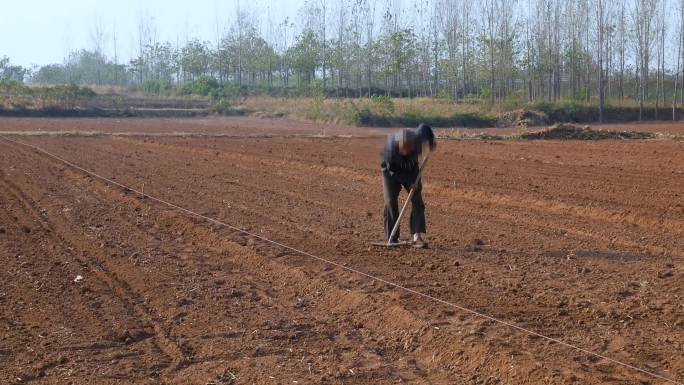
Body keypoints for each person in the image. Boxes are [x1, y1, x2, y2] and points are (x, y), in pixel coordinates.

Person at [381, 123, 436, 248]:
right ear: (398, 145)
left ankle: (417, 236)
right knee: (390, 201)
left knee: (417, 200)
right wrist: (409, 181)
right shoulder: (389, 149)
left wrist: (431, 143)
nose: (406, 151)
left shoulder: (417, 138)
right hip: (391, 172)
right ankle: (393, 237)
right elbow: (392, 171)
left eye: (409, 149)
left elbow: (425, 128)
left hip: (411, 170)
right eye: (403, 149)